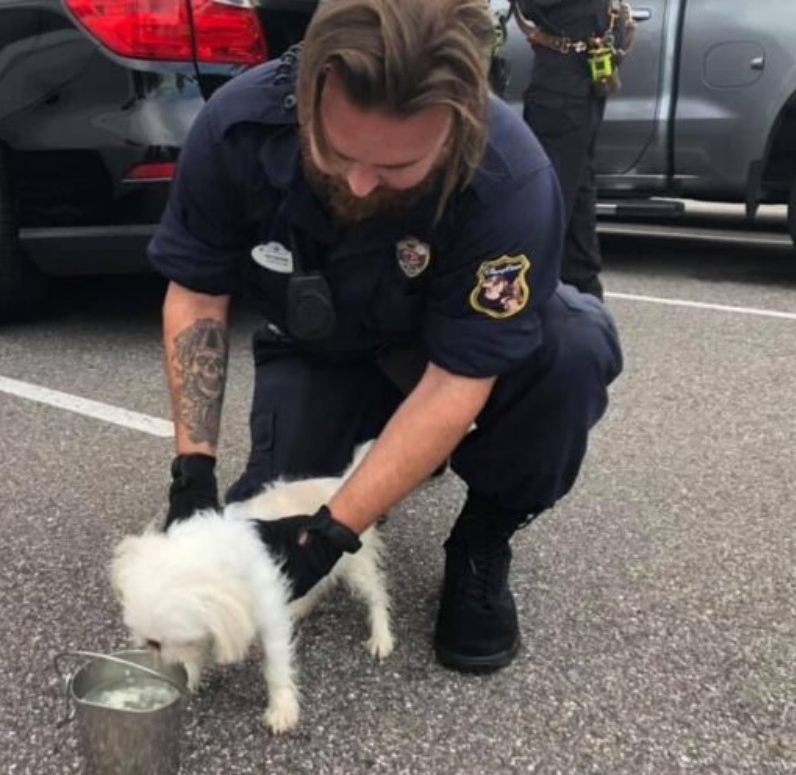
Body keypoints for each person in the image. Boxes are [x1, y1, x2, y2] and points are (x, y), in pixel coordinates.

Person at [148, 0, 623, 673]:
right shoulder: (236, 126)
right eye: (336, 153)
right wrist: (190, 474)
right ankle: (382, 461)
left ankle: (483, 538)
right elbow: (198, 290)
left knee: (574, 346)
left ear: (457, 123)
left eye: (398, 167)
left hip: (443, 363)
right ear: (308, 90)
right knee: (266, 508)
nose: (361, 181)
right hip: (321, 352)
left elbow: (458, 381)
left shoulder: (512, 177)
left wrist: (331, 533)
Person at [513, 0, 633, 300]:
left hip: (565, 73)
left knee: (548, 194)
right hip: (581, 66)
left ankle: (534, 298)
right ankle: (583, 289)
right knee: (577, 187)